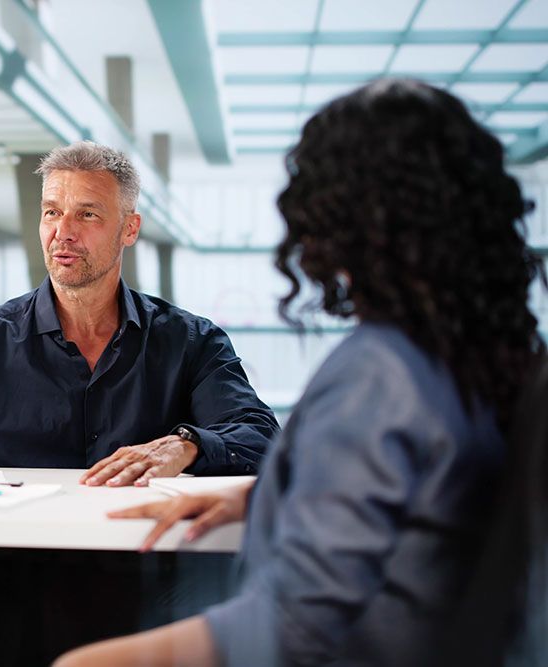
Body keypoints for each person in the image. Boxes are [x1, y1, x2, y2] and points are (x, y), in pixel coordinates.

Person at [54, 79, 546, 666]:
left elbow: (303, 624)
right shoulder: (494, 355)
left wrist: (94, 663)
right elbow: (431, 504)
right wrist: (273, 495)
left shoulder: (378, 375)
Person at [0, 140, 279, 665]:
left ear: (129, 230)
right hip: (8, 589)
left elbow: (259, 434)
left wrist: (186, 445)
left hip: (147, 588)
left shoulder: (190, 342)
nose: (62, 232)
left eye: (87, 215)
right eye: (51, 212)